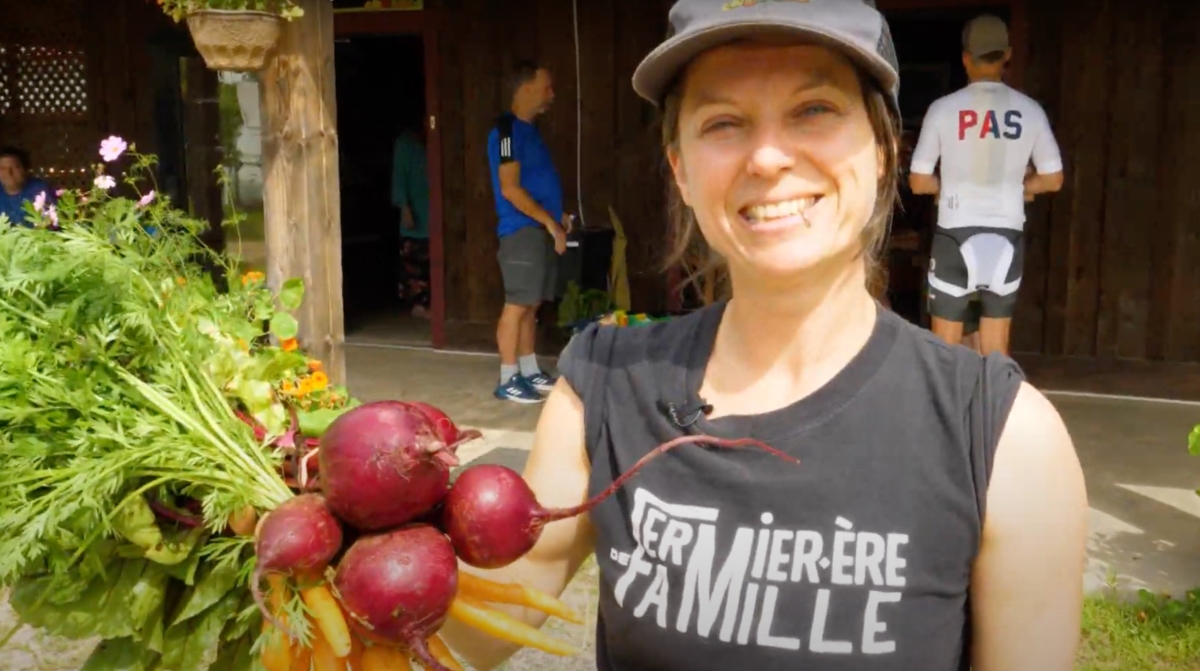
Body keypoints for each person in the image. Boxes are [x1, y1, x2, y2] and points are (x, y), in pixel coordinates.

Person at [439, 2, 1088, 670]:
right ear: (682, 170)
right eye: (723, 122)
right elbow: (481, 622)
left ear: (884, 148)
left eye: (814, 109)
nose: (769, 156)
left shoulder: (1004, 439)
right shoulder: (602, 389)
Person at [908, 14, 1064, 355]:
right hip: (1006, 234)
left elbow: (918, 182)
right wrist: (1024, 189)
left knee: (944, 356)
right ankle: (995, 408)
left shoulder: (942, 109)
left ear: (965, 58)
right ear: (1007, 55)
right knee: (996, 358)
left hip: (955, 231)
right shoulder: (1030, 110)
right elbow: (1053, 178)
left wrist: (944, 187)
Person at [487, 60, 571, 404]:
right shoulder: (507, 132)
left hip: (539, 229)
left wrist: (557, 216)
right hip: (522, 230)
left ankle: (529, 369)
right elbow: (510, 188)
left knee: (531, 304)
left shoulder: (530, 131)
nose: (551, 94)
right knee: (517, 304)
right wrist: (549, 222)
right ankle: (508, 378)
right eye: (546, 86)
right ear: (525, 89)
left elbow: (535, 183)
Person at [391, 120, 431, 318]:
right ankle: (418, 304)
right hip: (415, 211)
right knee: (415, 259)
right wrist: (404, 207)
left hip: (431, 210)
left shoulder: (432, 141)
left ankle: (430, 304)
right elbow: (399, 177)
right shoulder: (405, 143)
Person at [0, 146, 55, 227]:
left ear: (25, 170)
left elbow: (52, 223)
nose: (9, 173)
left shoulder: (40, 190)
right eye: (2, 168)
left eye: (15, 167)